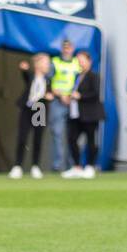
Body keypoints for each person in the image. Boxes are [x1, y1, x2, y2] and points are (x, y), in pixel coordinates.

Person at [9, 53, 50, 180]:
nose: (47, 66)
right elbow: (25, 72)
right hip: (27, 109)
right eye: (45, 63)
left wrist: (50, 96)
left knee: (38, 138)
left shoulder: (49, 80)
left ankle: (35, 166)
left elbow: (52, 91)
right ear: (38, 64)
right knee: (22, 137)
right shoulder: (31, 76)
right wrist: (24, 68)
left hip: (40, 109)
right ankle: (17, 166)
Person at [61, 51, 102, 179]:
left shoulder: (94, 76)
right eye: (78, 60)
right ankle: (77, 167)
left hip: (90, 114)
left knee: (91, 140)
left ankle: (90, 166)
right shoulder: (77, 76)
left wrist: (80, 96)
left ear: (89, 61)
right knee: (72, 138)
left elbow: (95, 93)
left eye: (82, 59)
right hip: (76, 114)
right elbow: (74, 92)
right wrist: (69, 97)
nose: (80, 62)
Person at [46, 40, 80, 172]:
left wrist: (71, 95)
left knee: (73, 135)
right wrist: (58, 94)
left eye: (69, 47)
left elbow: (80, 81)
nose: (67, 50)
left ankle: (72, 165)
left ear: (73, 48)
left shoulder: (77, 63)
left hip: (72, 102)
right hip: (57, 101)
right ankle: (57, 165)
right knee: (57, 133)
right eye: (65, 47)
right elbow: (47, 80)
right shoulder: (55, 62)